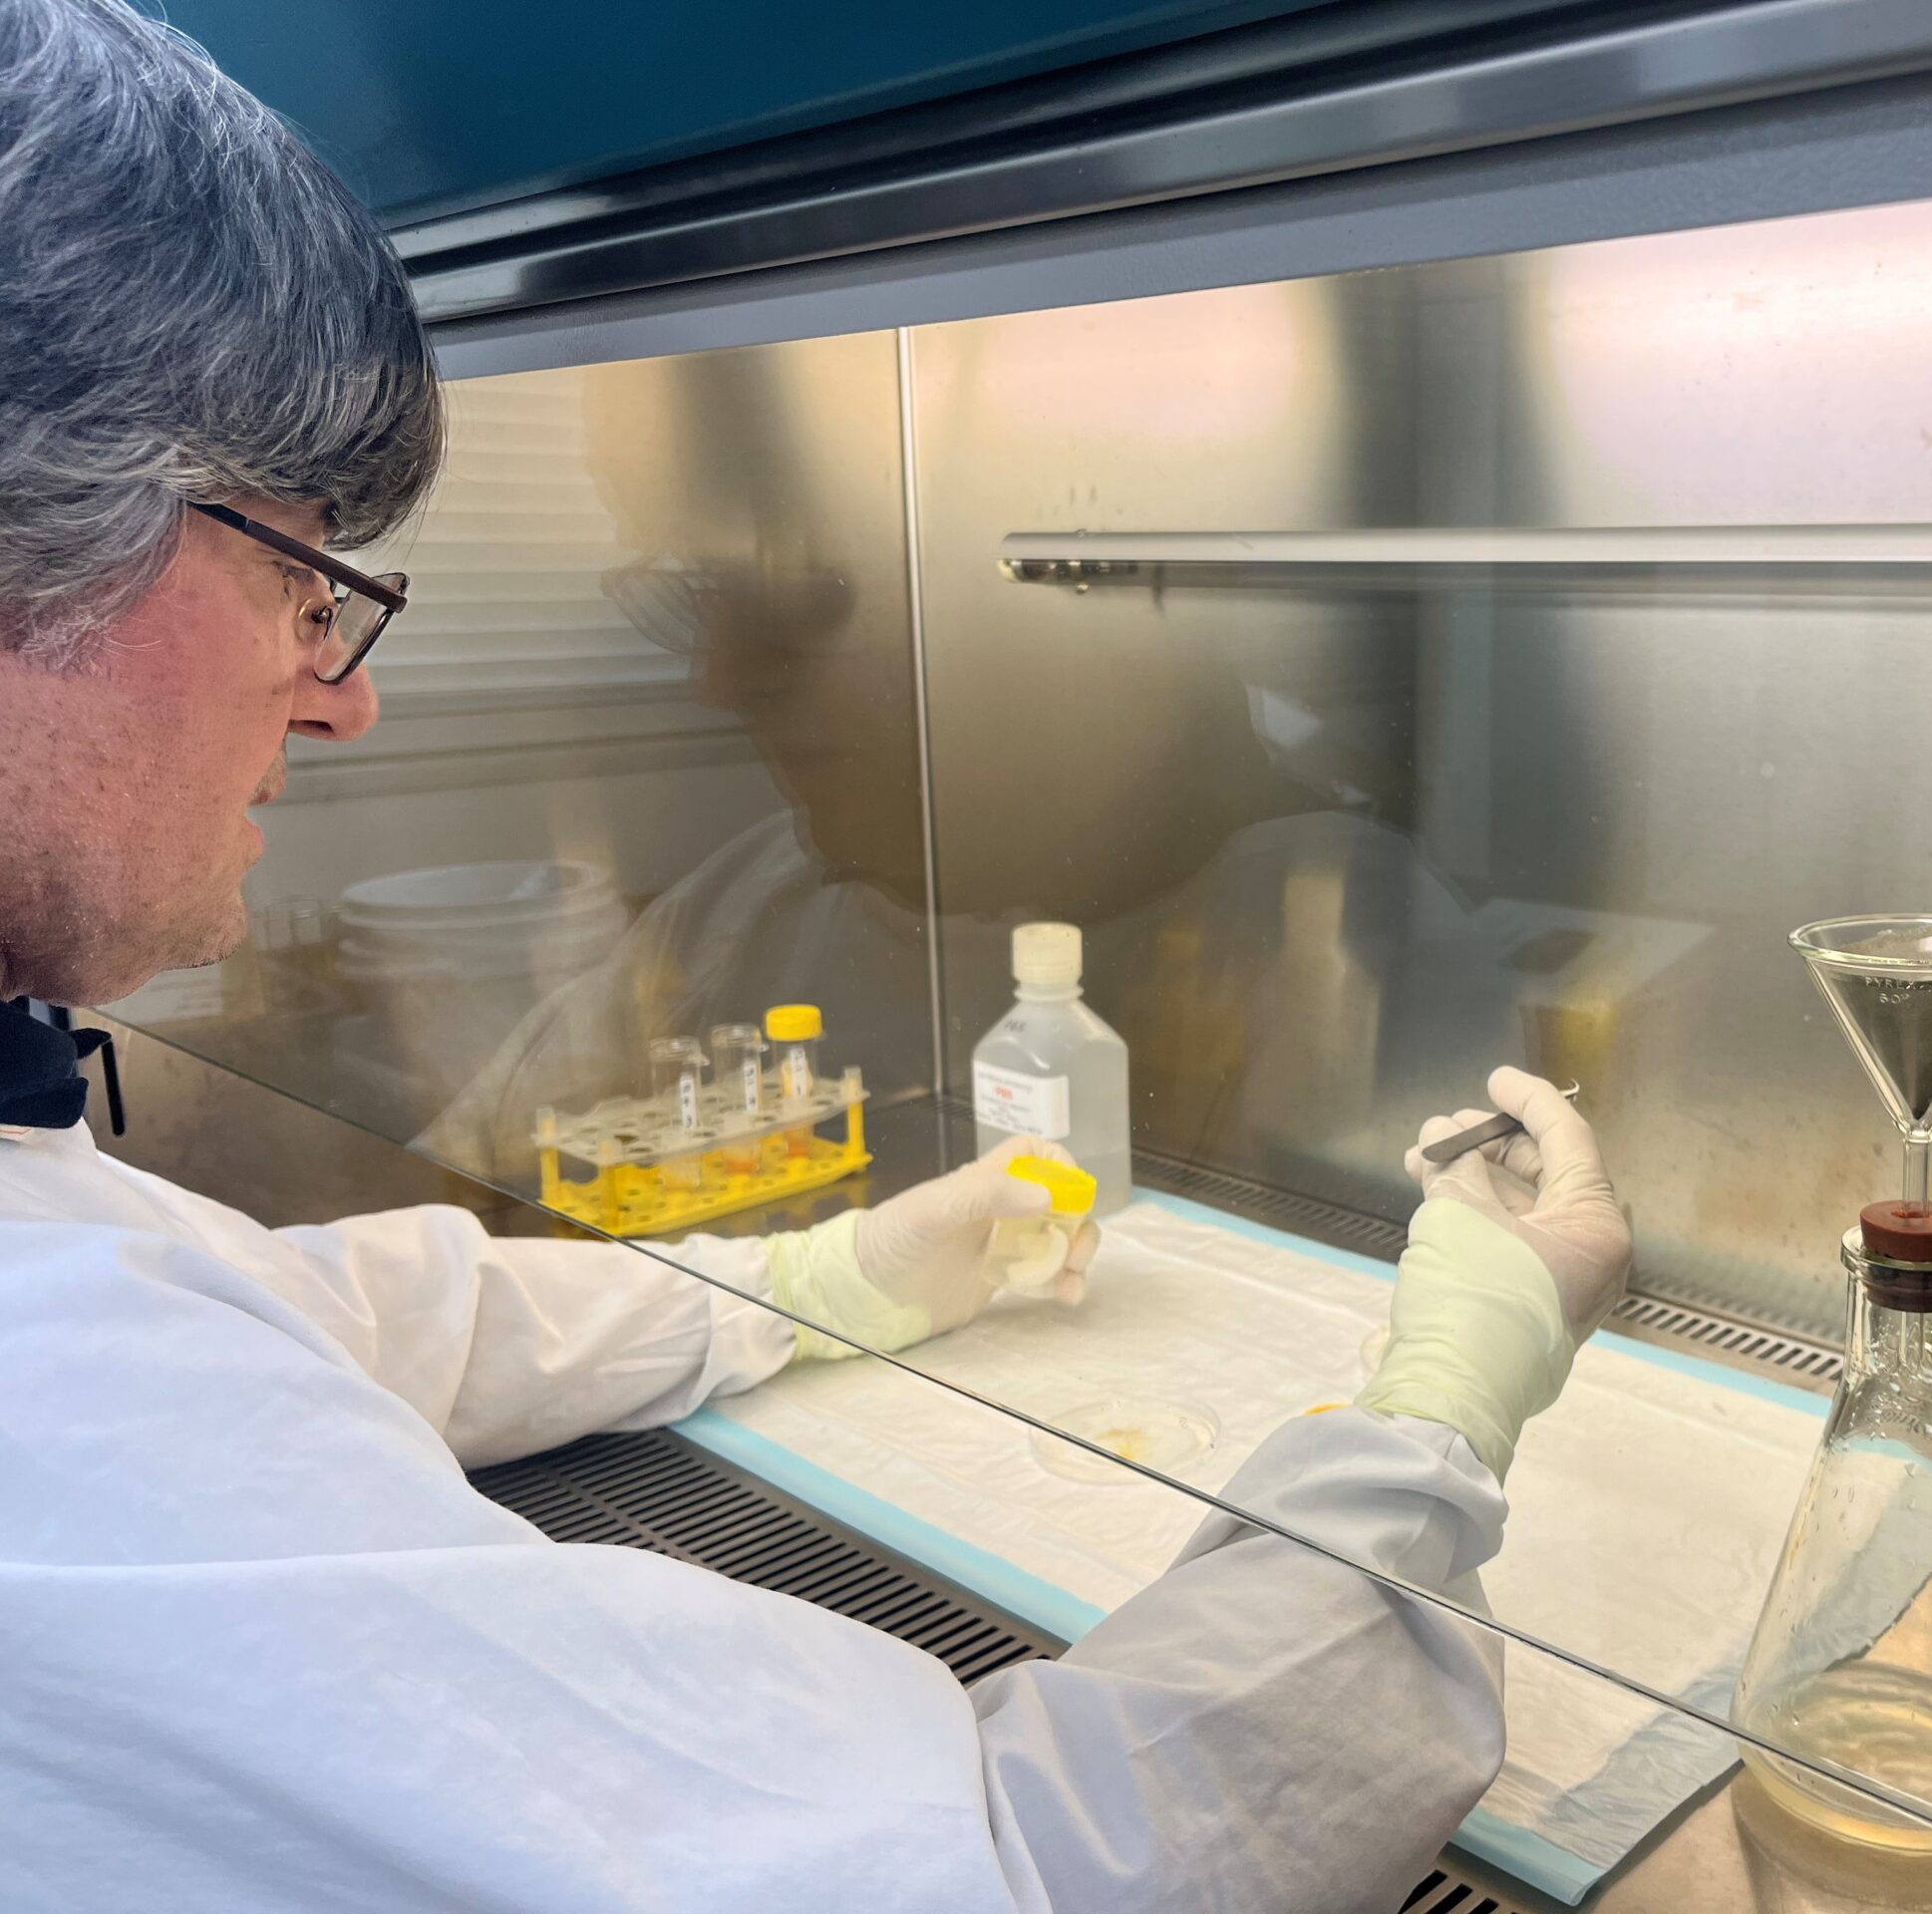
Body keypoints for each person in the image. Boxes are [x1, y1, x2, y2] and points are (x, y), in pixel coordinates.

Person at [0, 5, 1637, 1911]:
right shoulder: (64, 1421)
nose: (341, 701)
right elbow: (1042, 1875)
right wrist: (1444, 1403)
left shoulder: (1347, 901)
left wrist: (813, 1280)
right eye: (300, 582)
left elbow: (293, 1318)